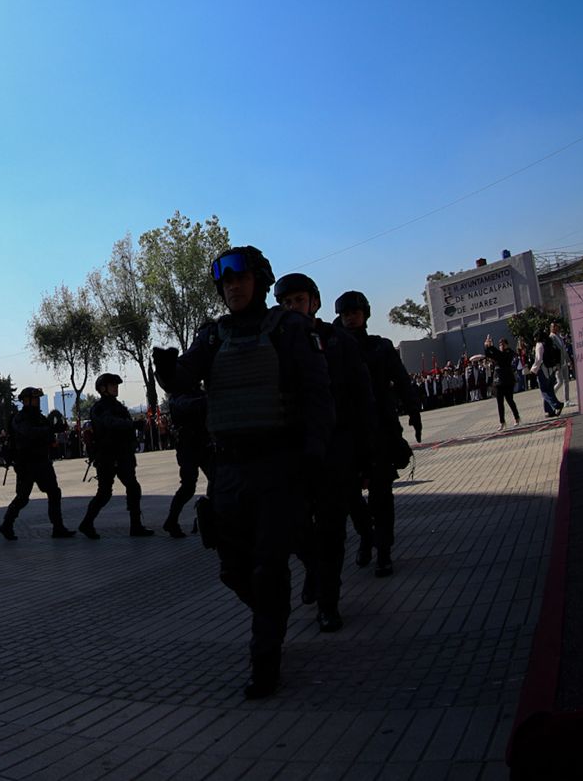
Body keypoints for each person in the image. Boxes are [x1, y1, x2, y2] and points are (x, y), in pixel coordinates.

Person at [153, 246, 334, 699]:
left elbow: (318, 395)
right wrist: (166, 370)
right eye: (226, 282)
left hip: (278, 465)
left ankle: (265, 660)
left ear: (260, 281)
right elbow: (184, 378)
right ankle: (274, 614)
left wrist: (314, 454)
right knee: (233, 570)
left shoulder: (289, 328)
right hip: (229, 469)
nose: (233, 287)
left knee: (269, 567)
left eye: (241, 279)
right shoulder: (213, 335)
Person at [274, 273, 373, 633]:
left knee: (332, 529)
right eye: (286, 303)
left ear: (314, 302)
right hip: (294, 450)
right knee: (294, 526)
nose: (293, 308)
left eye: (299, 301)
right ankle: (314, 569)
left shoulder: (338, 341)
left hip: (335, 448)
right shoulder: (275, 343)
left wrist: (364, 451)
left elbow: (362, 397)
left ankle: (328, 603)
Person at [335, 290, 417, 579]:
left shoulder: (380, 347)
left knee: (381, 495)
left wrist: (414, 411)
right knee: (349, 495)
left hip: (380, 430)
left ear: (365, 314)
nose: (350, 318)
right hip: (347, 433)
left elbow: (403, 381)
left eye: (355, 313)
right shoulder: (334, 349)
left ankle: (383, 551)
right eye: (345, 314)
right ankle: (366, 535)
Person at [78, 373, 154, 539]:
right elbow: (109, 423)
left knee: (133, 487)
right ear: (102, 389)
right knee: (105, 493)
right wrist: (131, 424)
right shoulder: (99, 408)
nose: (115, 388)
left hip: (123, 454)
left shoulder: (118, 406)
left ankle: (136, 526)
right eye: (112, 385)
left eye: (116, 385)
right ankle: (86, 523)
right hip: (107, 456)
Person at [0, 388, 74, 541]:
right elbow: (29, 432)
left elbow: (47, 433)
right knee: (22, 497)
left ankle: (58, 527)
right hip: (26, 463)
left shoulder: (40, 417)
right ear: (26, 400)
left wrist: (58, 427)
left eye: (38, 399)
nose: (38, 402)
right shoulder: (19, 418)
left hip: (42, 461)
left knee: (54, 492)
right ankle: (7, 524)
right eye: (35, 399)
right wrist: (48, 429)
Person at [163, 391, 211, 538]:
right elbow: (189, 405)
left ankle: (213, 518)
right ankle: (172, 520)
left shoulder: (198, 393)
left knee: (216, 480)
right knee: (188, 487)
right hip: (189, 446)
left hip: (202, 444)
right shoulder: (178, 397)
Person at [486, 338, 521, 428]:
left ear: (506, 345)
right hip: (498, 381)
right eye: (500, 345)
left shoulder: (509, 352)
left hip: (507, 380)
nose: (501, 346)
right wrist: (487, 347)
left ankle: (517, 417)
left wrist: (492, 347)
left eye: (502, 344)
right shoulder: (498, 353)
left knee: (510, 400)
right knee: (499, 402)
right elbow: (489, 355)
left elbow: (502, 357)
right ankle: (502, 422)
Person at [533, 326, 564, 417]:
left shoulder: (539, 344)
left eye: (535, 337)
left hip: (543, 370)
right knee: (550, 389)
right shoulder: (549, 341)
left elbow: (538, 359)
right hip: (552, 368)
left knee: (544, 391)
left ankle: (557, 405)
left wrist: (533, 370)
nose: (534, 339)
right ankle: (550, 411)